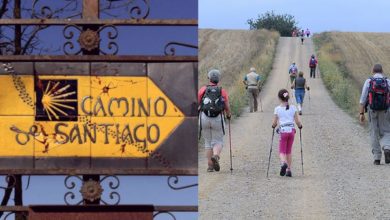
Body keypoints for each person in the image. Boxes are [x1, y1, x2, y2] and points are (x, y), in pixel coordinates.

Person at [199, 69, 232, 172]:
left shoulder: (203, 89)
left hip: (204, 117)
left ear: (209, 78)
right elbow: (226, 105)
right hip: (217, 118)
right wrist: (228, 114)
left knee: (208, 142)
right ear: (218, 79)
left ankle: (210, 166)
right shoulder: (222, 91)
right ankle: (216, 156)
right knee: (218, 140)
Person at [359, 64, 390, 165]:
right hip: (385, 110)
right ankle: (387, 148)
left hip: (372, 110)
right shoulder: (387, 81)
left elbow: (363, 99)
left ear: (373, 70)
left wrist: (361, 113)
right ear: (382, 71)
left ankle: (377, 158)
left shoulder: (369, 81)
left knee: (374, 132)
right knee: (386, 131)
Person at [272, 89, 303, 177]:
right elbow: (298, 122)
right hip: (291, 131)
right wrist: (300, 126)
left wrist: (273, 126)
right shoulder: (293, 108)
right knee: (288, 151)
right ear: (288, 97)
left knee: (282, 151)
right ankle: (288, 170)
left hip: (283, 131)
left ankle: (283, 163)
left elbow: (274, 123)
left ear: (279, 98)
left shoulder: (277, 109)